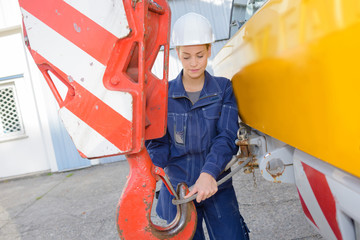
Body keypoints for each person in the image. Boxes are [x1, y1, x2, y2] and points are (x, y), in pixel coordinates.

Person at [146, 12, 250, 240]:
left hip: (215, 186)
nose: (194, 63)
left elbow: (226, 136)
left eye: (200, 55)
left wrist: (208, 173)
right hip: (177, 191)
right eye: (187, 56)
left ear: (209, 50)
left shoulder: (223, 89)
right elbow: (157, 142)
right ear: (177, 54)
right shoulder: (163, 95)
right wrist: (152, 168)